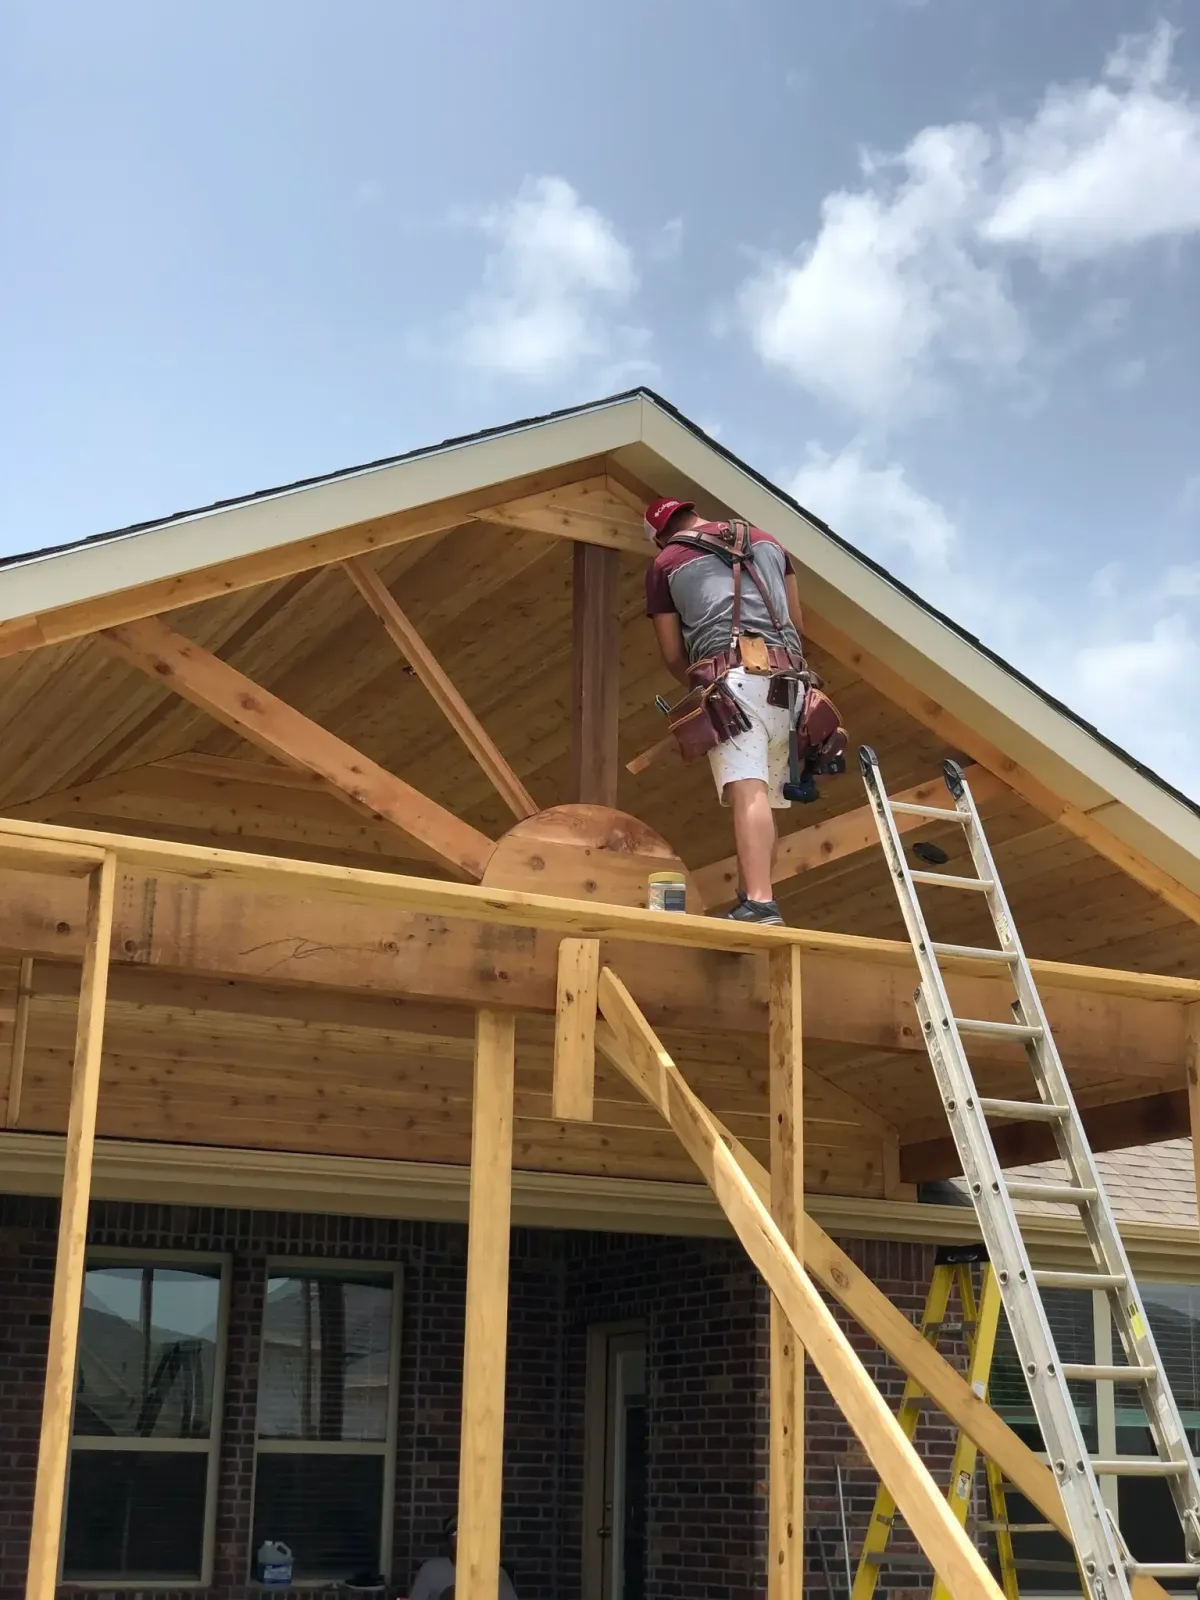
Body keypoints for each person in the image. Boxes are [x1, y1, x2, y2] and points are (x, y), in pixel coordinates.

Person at [644, 496, 808, 925]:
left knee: (746, 788)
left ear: (660, 535)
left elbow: (670, 651)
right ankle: (757, 894)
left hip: (733, 679)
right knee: (767, 800)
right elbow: (797, 624)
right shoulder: (770, 543)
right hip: (792, 683)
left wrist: (701, 684)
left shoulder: (666, 562)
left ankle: (759, 901)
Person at [407, 1514, 517, 1600]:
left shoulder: (495, 1573)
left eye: (467, 1531)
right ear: (448, 1539)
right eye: (455, 1532)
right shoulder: (430, 1570)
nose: (462, 1536)